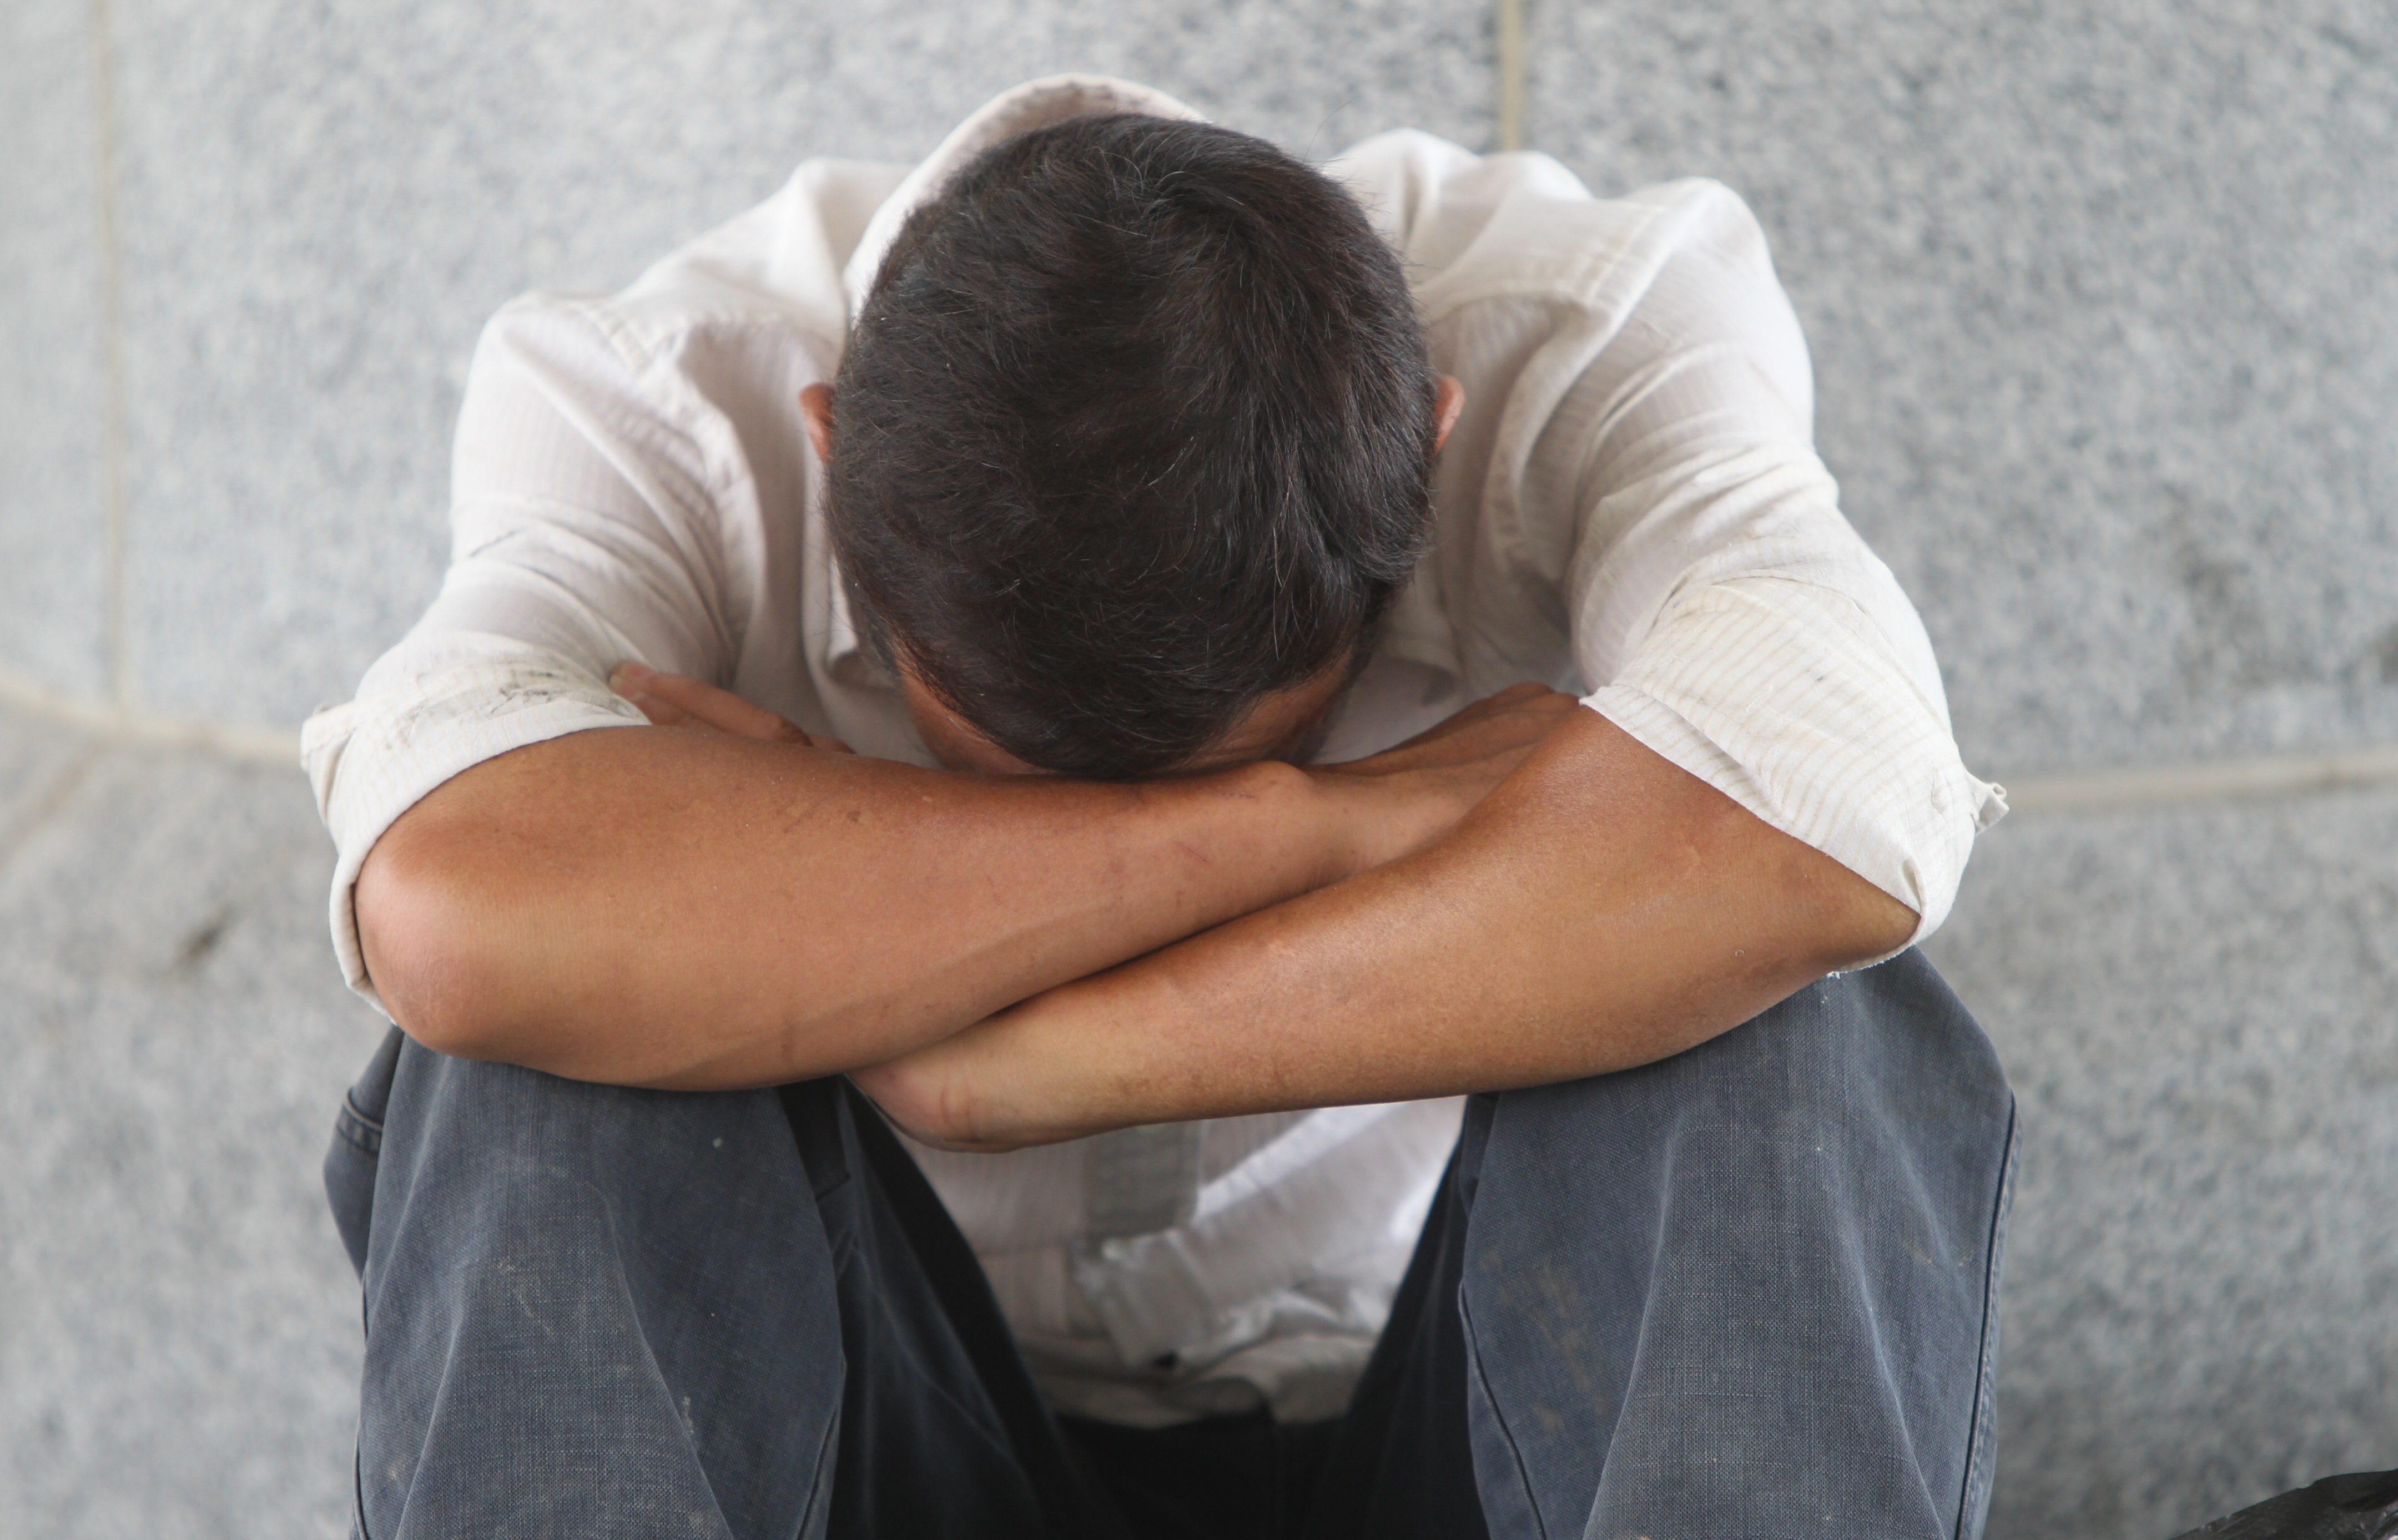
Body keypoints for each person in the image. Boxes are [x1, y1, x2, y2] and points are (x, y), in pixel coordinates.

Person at [305, 74, 2016, 1539]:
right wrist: (1281, 829)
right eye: (997, 773)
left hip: (1466, 1429)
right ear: (828, 456)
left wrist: (1028, 1067)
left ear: (1427, 453)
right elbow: (453, 897)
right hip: (873, 1432)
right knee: (543, 1057)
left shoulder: (1592, 319)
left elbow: (1840, 808)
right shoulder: (650, 396)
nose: (1130, 841)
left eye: (1240, 763)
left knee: (1786, 1003)